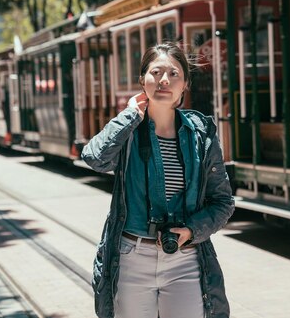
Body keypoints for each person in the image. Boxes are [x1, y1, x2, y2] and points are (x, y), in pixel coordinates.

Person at [82, 42, 234, 318]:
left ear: (185, 84)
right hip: (131, 258)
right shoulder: (129, 130)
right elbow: (94, 157)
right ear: (143, 80)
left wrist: (191, 231)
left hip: (184, 259)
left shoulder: (201, 135)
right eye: (156, 72)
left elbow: (223, 202)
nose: (164, 80)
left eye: (174, 74)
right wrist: (129, 115)